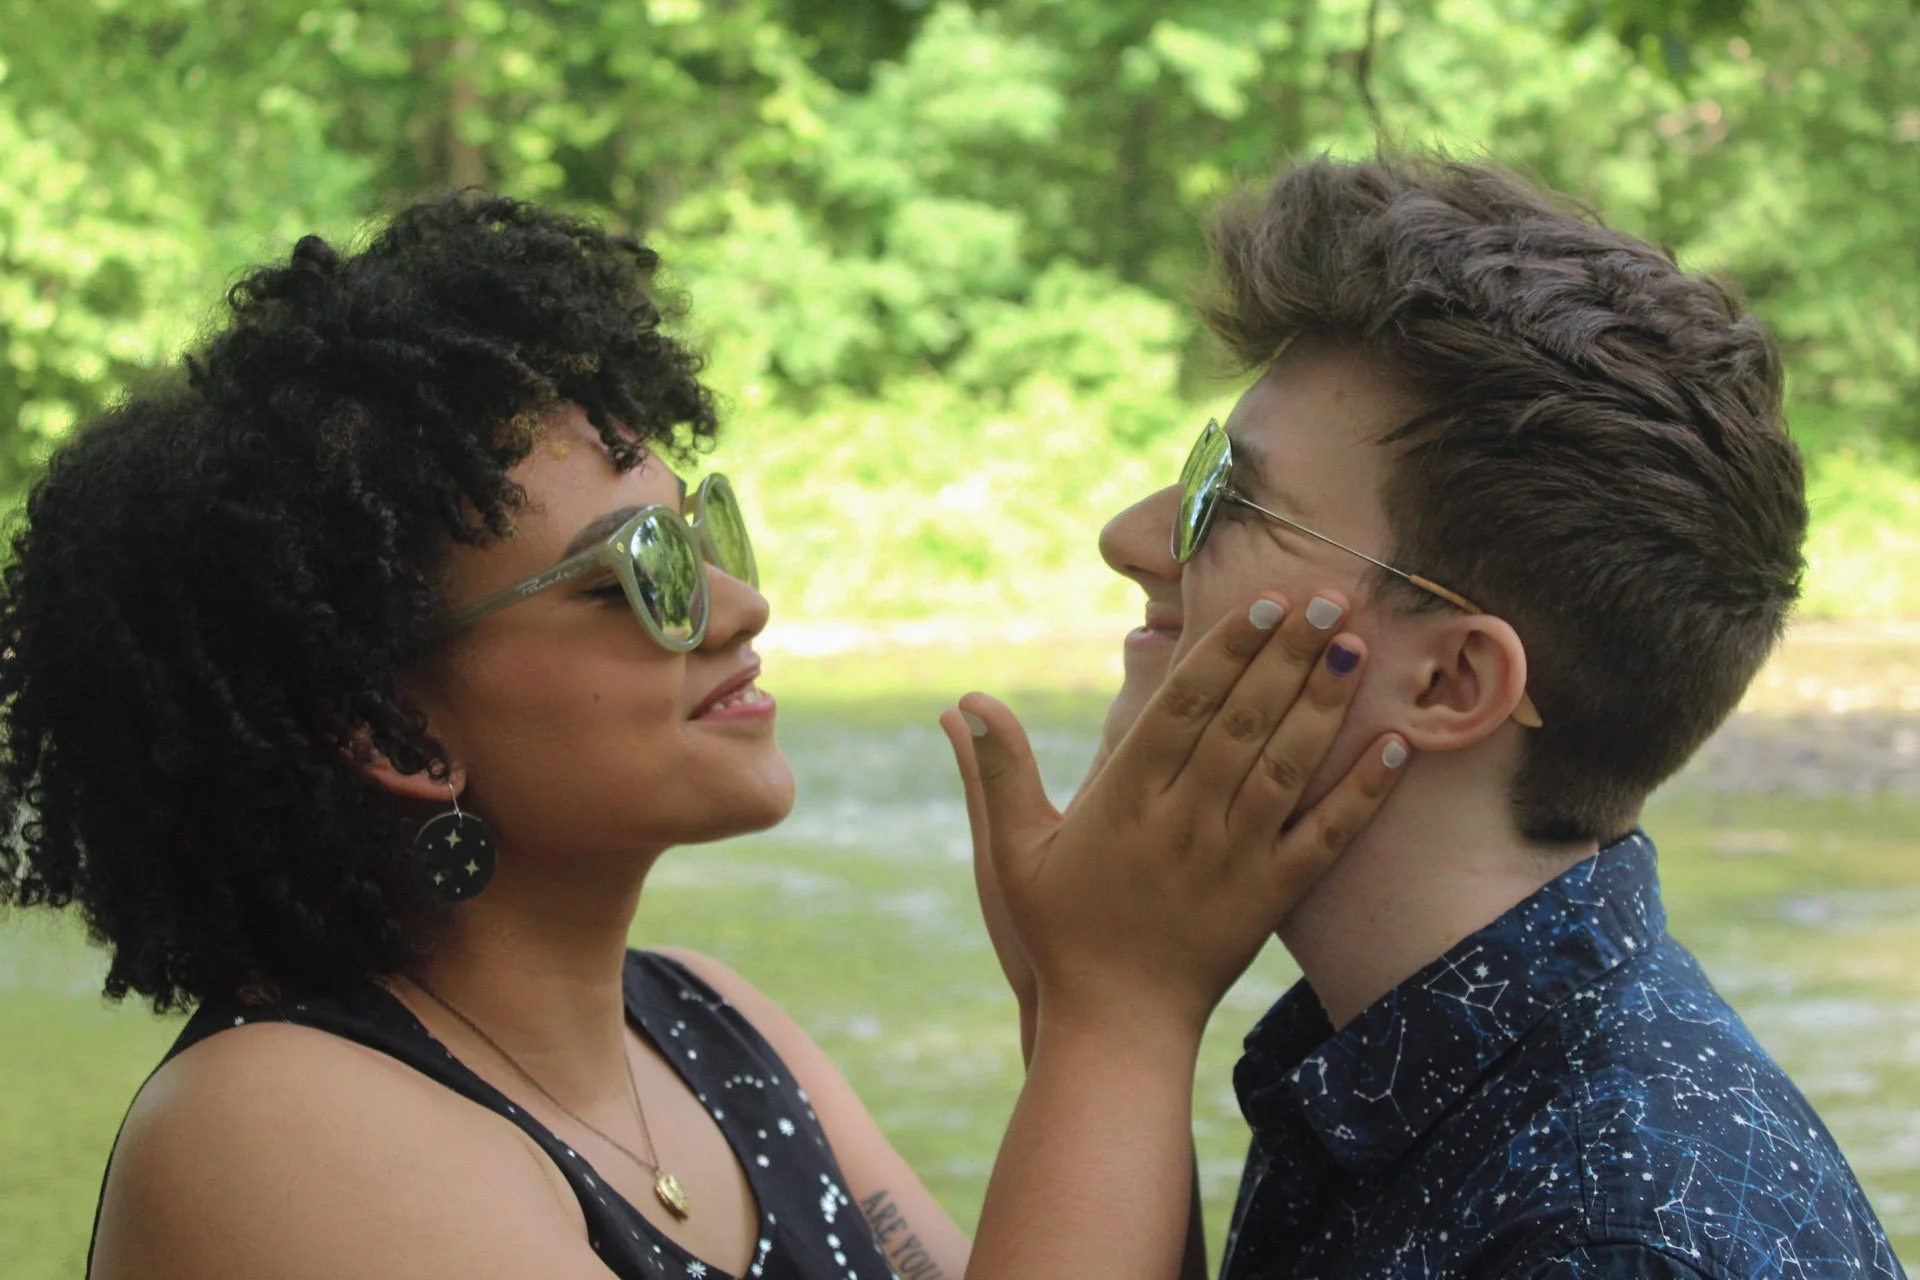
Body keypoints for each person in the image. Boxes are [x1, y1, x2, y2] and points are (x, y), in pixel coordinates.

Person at [0, 194, 1410, 1280]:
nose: (740, 606)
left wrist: (1067, 1015)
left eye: (704, 531)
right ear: (397, 729)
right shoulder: (274, 1127)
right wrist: (1120, 1009)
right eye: (644, 571)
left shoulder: (711, 1026)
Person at [949, 152, 1905, 1280]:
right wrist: (1083, 1016)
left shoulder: (1602, 1240)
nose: (1132, 536)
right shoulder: (1440, 1060)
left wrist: (1115, 1010)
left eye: (1230, 496)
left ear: (1451, 681)